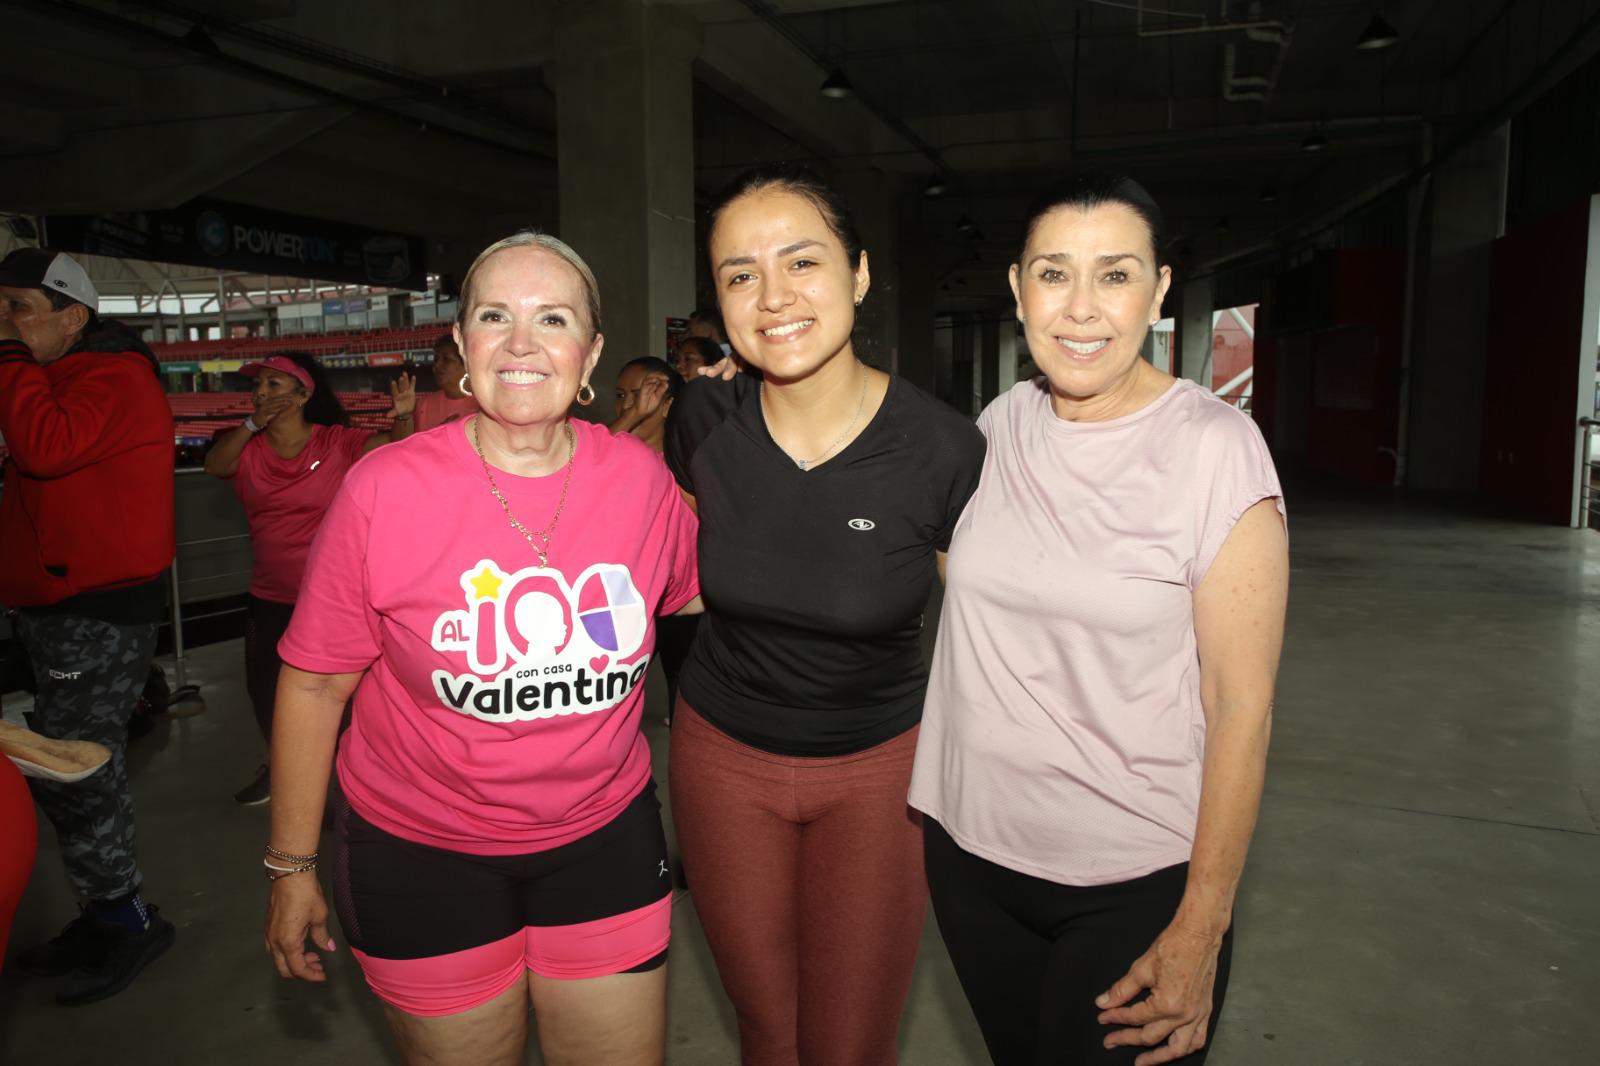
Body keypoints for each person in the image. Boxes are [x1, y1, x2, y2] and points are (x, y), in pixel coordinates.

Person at [264, 231, 701, 1066]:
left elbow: (709, 587)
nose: (523, 342)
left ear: (592, 351)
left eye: (554, 318)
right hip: (421, 852)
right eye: (495, 316)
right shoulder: (384, 488)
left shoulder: (639, 483)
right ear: (463, 344)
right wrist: (290, 865)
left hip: (603, 841)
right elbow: (316, 684)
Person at [908, 175, 1288, 1066]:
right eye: (1054, 274)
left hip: (1132, 882)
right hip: (971, 857)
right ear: (1017, 288)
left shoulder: (1216, 450)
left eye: (1114, 276)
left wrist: (1204, 921)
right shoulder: (999, 425)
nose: (1081, 309)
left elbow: (1243, 706)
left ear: (1158, 291)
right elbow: (960, 571)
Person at [664, 165, 986, 1065]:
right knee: (768, 1033)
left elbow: (988, 635)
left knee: (849, 1044)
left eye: (801, 261)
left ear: (859, 273)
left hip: (879, 772)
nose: (773, 297)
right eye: (739, 274)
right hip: (722, 761)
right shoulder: (701, 421)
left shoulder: (943, 448)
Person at [0, 247, 177, 1004]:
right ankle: (106, 910)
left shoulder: (113, 377)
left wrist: (7, 358)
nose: (4, 325)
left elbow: (44, 448)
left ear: (73, 317)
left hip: (96, 613)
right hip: (56, 608)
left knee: (79, 769)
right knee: (71, 766)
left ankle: (126, 918)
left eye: (18, 310)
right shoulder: (53, 377)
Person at [203, 352, 416, 805]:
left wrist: (404, 418)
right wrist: (248, 425)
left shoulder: (335, 443)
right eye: (257, 385)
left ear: (303, 395)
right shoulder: (247, 449)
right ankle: (283, 768)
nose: (261, 392)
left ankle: (345, 782)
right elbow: (215, 466)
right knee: (264, 693)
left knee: (338, 697)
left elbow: (390, 451)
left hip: (330, 599)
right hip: (270, 596)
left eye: (274, 385)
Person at [609, 356, 680, 454]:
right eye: (620, 395)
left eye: (639, 395)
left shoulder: (684, 463)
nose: (625, 405)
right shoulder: (612, 452)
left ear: (667, 406)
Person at [414, 332, 479, 430]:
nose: (437, 365)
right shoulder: (424, 405)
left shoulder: (484, 404)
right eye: (436, 359)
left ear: (466, 364)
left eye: (447, 359)